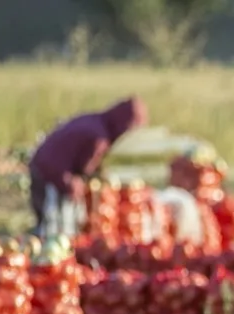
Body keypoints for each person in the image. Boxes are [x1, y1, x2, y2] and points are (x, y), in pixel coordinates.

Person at [28, 96, 149, 233]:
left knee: (51, 212)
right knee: (54, 216)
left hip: (42, 163)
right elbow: (85, 167)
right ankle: (50, 241)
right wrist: (99, 179)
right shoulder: (99, 137)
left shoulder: (94, 120)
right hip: (49, 170)